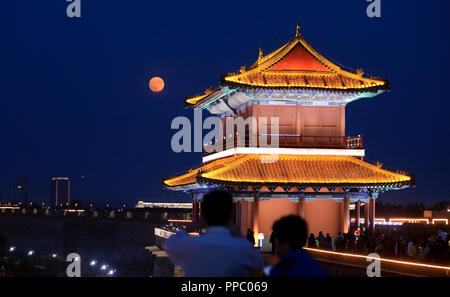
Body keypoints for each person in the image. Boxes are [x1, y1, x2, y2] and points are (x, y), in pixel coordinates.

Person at [164, 190, 265, 277]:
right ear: (231, 214)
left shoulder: (191, 245)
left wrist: (194, 225)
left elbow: (170, 243)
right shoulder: (243, 248)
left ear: (205, 216)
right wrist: (236, 231)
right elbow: (260, 263)